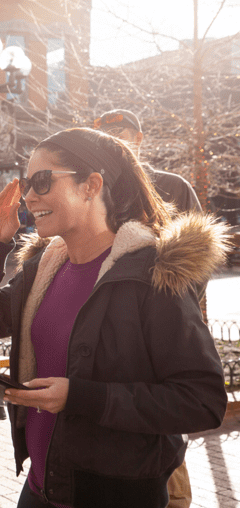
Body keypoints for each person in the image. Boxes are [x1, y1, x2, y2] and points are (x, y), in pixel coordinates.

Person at [0, 127, 228, 508]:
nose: (29, 196)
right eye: (25, 183)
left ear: (91, 185)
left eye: (41, 181)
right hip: (40, 486)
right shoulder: (44, 266)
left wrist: (80, 396)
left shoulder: (151, 274)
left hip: (116, 494)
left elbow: (203, 400)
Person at [95, 108, 202, 508]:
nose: (117, 140)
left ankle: (174, 499)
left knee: (166, 416)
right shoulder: (97, 190)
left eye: (123, 133)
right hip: (116, 323)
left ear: (139, 138)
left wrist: (177, 309)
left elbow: (199, 257)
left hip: (168, 321)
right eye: (108, 134)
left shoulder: (172, 186)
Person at [93, 109, 201, 212]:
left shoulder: (174, 187)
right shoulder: (93, 191)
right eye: (102, 139)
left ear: (138, 139)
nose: (108, 144)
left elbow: (197, 230)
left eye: (116, 135)